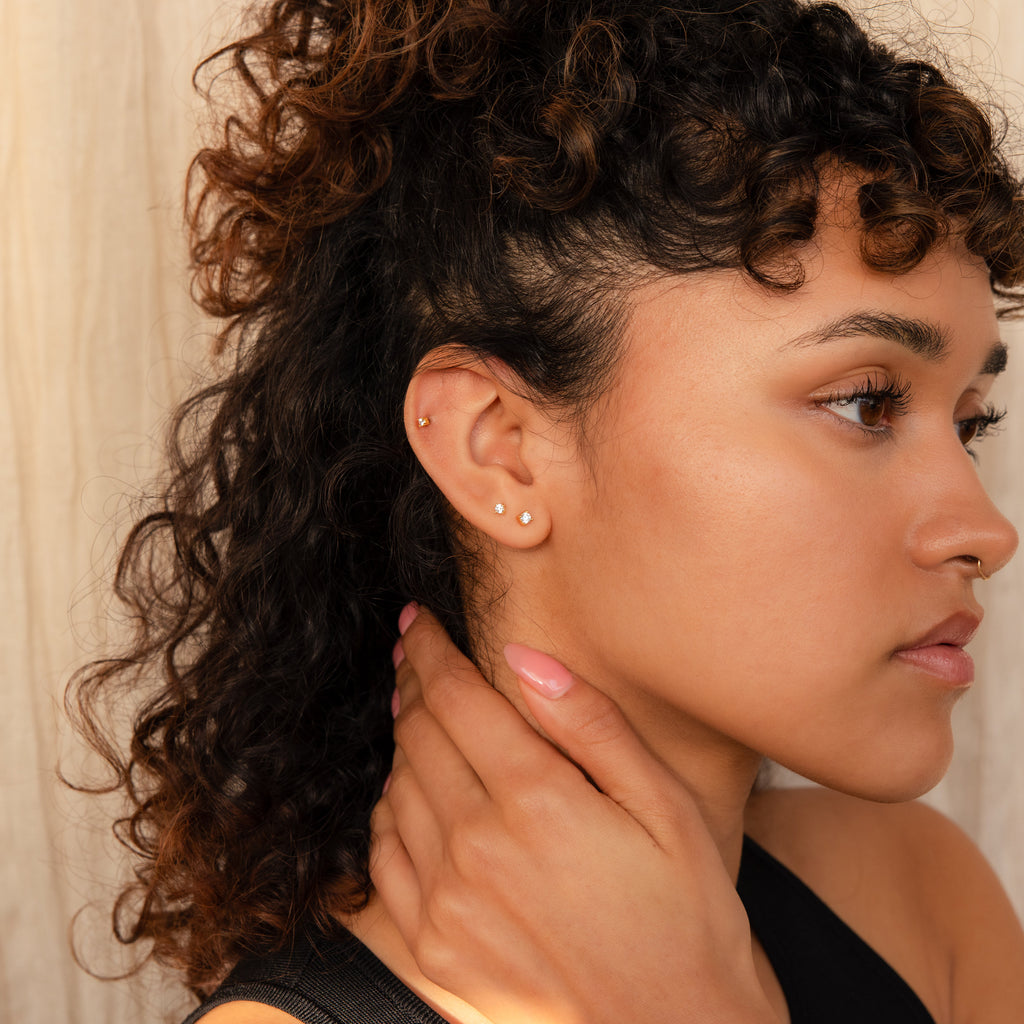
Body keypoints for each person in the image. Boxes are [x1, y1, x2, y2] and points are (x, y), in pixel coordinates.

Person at [68, 0, 1024, 1021]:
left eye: (967, 423)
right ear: (502, 448)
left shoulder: (913, 898)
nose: (985, 531)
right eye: (865, 402)